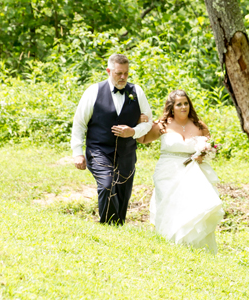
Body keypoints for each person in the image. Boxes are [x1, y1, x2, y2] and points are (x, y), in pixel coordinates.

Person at [137, 90, 224, 252]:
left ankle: (196, 246)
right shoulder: (162, 125)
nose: (183, 107)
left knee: (193, 206)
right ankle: (169, 244)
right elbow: (142, 139)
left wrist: (203, 154)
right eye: (179, 104)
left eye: (186, 103)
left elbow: (211, 148)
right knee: (170, 206)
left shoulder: (199, 125)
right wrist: (139, 122)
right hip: (167, 172)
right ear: (172, 107)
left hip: (194, 171)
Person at [71, 54, 153, 225]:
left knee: (123, 192)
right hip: (98, 150)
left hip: (127, 152)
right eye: (118, 73)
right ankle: (107, 226)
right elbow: (79, 123)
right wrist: (77, 152)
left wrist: (133, 131)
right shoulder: (93, 91)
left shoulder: (137, 92)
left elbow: (148, 122)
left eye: (126, 73)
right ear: (109, 71)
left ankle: (117, 227)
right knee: (107, 184)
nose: (123, 77)